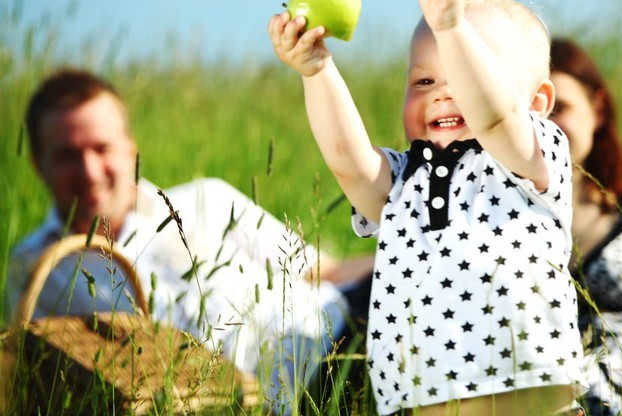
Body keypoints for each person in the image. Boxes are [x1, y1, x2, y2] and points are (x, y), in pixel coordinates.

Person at [269, 0, 589, 415]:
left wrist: (452, 28)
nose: (442, 91)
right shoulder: (405, 181)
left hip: (529, 401)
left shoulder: (532, 157)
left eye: (463, 72)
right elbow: (351, 165)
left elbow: (496, 117)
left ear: (537, 102)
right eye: (423, 80)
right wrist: (317, 72)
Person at [6, 67, 374, 413]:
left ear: (129, 148)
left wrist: (405, 257)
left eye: (101, 148)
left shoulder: (205, 199)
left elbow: (326, 271)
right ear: (39, 164)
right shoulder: (37, 268)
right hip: (256, 404)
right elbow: (34, 383)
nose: (88, 171)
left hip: (348, 331)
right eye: (67, 155)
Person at [549, 38, 622, 415]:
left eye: (559, 106)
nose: (545, 122)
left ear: (596, 110)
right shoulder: (495, 224)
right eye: (532, 109)